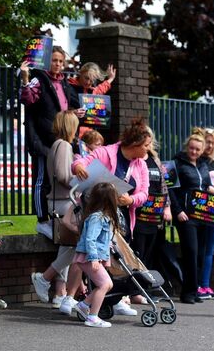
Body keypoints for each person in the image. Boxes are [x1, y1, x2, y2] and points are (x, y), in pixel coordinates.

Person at [72, 118, 150, 313]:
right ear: (135, 144)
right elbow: (82, 161)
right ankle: (96, 303)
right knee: (99, 258)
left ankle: (117, 300)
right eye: (146, 146)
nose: (148, 150)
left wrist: (131, 200)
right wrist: (78, 166)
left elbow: (144, 193)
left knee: (119, 259)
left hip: (123, 218)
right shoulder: (106, 152)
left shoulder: (141, 164)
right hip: (100, 214)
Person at [20, 45, 80, 238]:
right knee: (41, 180)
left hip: (61, 140)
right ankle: (42, 220)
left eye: (61, 61)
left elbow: (70, 107)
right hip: (41, 140)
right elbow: (28, 99)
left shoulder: (65, 84)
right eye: (54, 60)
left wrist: (75, 113)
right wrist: (25, 78)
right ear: (48, 61)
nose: (58, 65)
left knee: (53, 180)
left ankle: (55, 217)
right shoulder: (40, 79)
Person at [31, 111, 84, 308]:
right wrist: (85, 180)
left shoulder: (59, 145)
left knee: (67, 247)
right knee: (76, 246)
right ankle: (45, 278)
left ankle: (59, 293)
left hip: (62, 202)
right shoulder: (63, 145)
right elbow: (63, 175)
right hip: (64, 202)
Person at [168, 128, 214, 304]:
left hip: (202, 215)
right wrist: (178, 211)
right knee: (191, 252)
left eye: (198, 149)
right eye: (192, 148)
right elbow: (171, 189)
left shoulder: (204, 164)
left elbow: (206, 184)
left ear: (202, 149)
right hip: (186, 216)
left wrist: (211, 188)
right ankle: (187, 292)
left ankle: (194, 289)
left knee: (200, 255)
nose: (194, 152)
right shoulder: (177, 163)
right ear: (187, 147)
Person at [73, 182, 121, 328]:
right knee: (105, 284)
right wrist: (94, 258)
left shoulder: (103, 217)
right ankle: (92, 317)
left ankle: (84, 305)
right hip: (89, 257)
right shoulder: (97, 217)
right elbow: (90, 238)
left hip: (92, 256)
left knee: (107, 284)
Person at [131, 127, 172, 267]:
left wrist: (167, 208)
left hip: (154, 216)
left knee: (149, 253)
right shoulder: (133, 159)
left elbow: (163, 185)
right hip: (138, 215)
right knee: (137, 253)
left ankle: (145, 284)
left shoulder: (155, 159)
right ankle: (135, 285)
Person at [197, 127, 214, 300]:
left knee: (210, 249)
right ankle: (197, 284)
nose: (210, 145)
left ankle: (205, 285)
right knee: (199, 248)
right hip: (199, 210)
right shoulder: (197, 161)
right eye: (208, 141)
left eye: (213, 143)